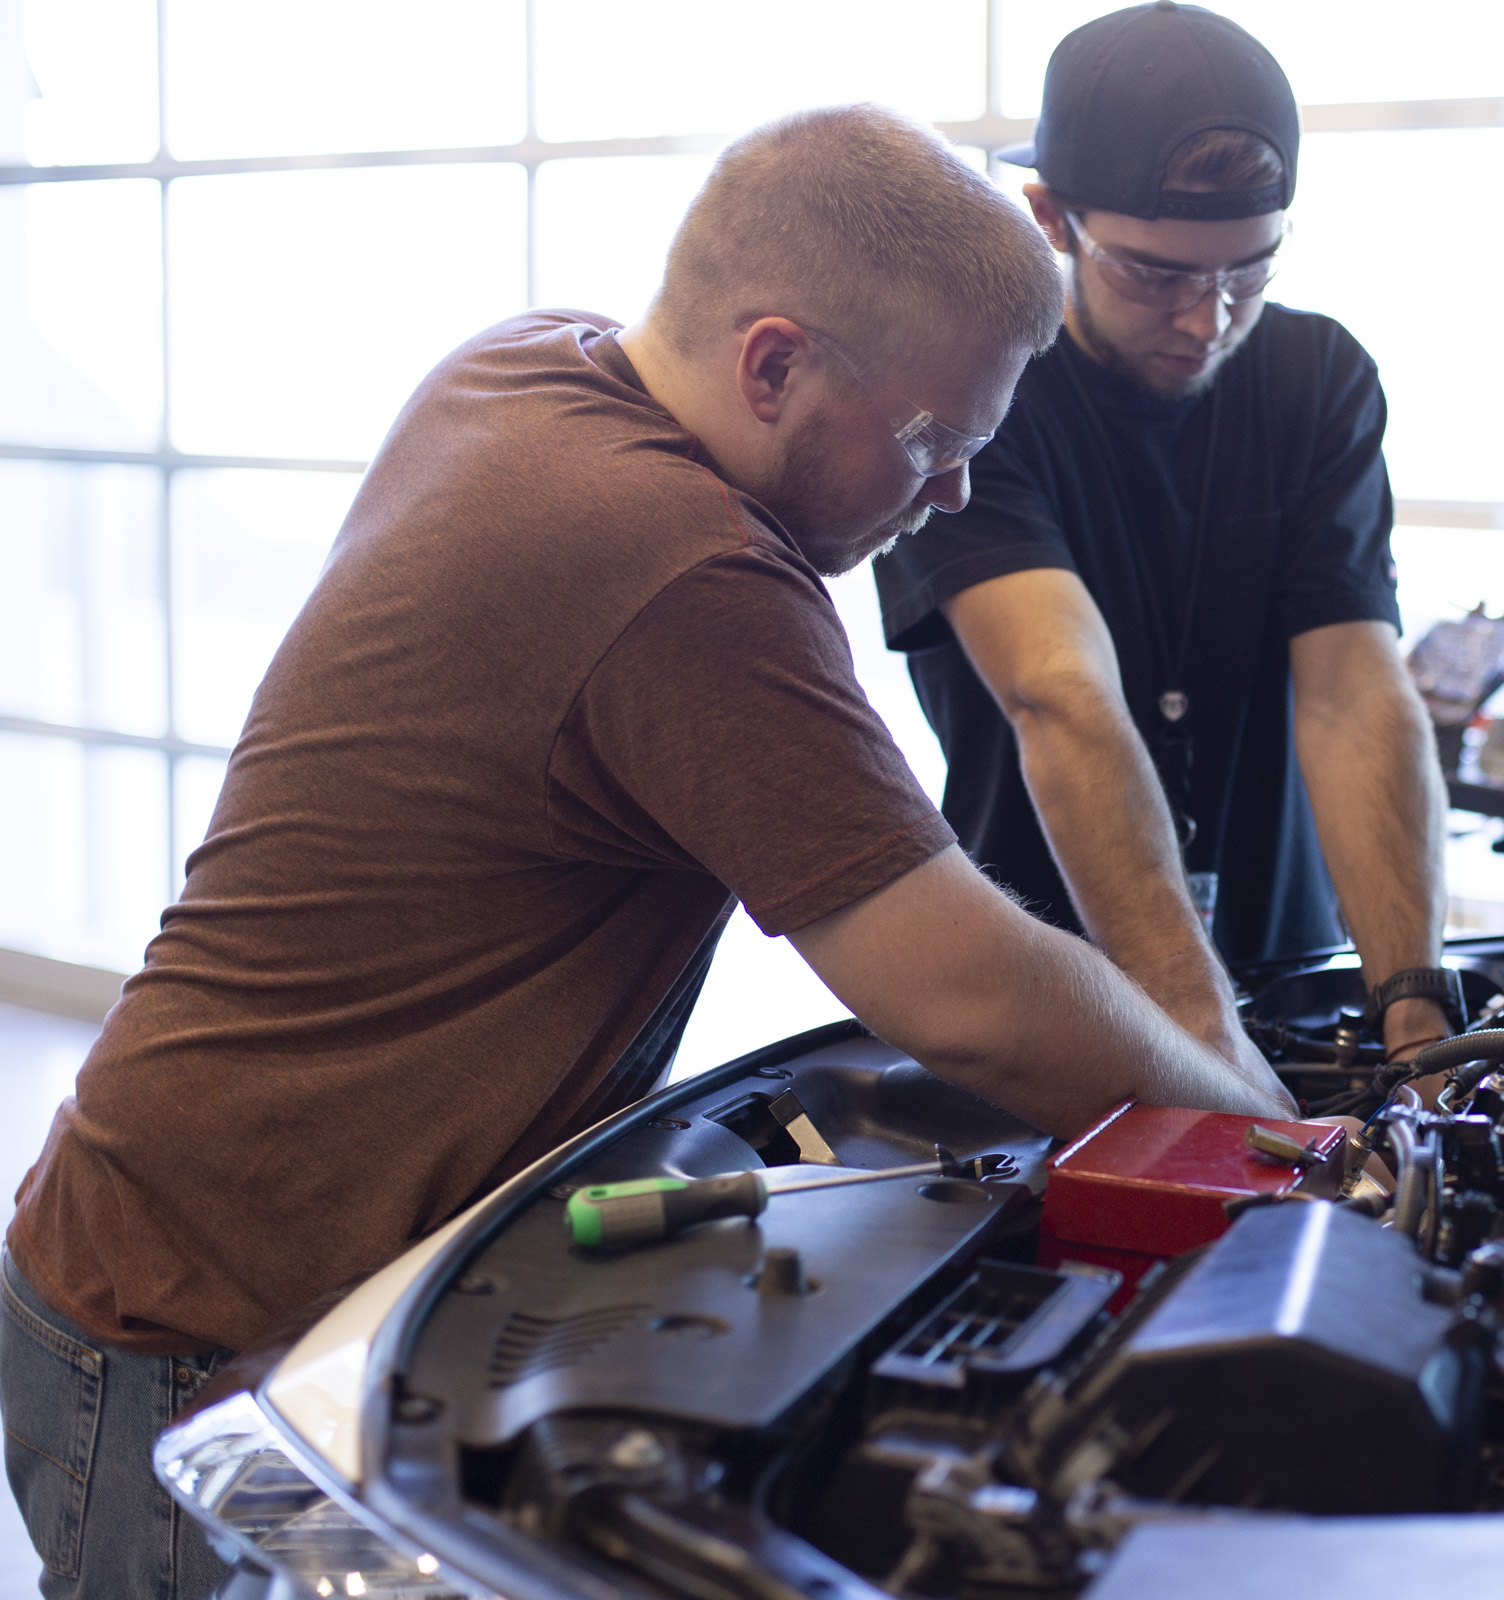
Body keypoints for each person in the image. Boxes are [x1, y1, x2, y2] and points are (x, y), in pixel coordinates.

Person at [1, 105, 1291, 1600]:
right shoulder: (686, 573)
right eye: (938, 442)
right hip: (201, 1336)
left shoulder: (530, 361)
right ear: (772, 363)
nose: (949, 495)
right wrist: (1271, 1147)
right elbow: (967, 996)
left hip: (162, 1236)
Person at [874, 3, 1458, 1084]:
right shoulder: (982, 394)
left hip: (1286, 974)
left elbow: (1351, 693)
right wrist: (1204, 1040)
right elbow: (1061, 694)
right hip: (1047, 1000)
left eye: (1248, 272)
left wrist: (1416, 1012)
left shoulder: (1318, 381)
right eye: (1158, 274)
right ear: (1051, 216)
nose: (1207, 319)